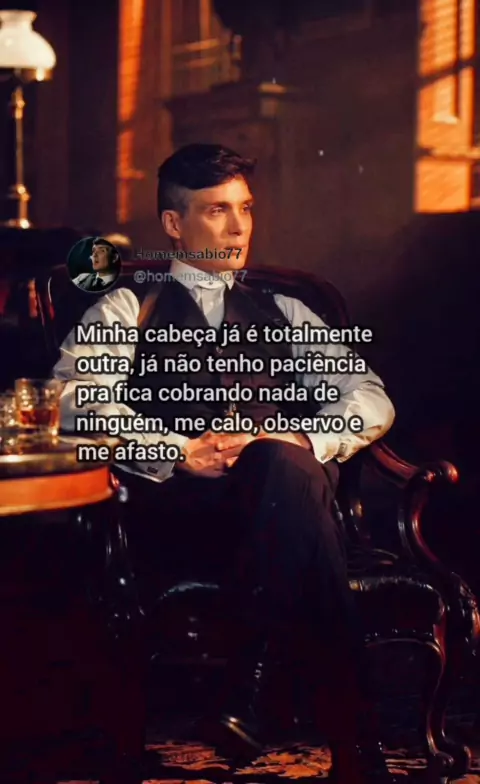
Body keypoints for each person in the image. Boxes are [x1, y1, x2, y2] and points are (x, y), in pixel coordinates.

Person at [53, 144, 399, 783]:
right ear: (174, 224)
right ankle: (355, 743)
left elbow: (370, 399)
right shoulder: (127, 309)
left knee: (282, 462)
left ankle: (249, 693)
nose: (239, 227)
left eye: (246, 208)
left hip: (285, 497)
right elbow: (77, 405)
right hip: (194, 518)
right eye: (217, 211)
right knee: (304, 515)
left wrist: (308, 439)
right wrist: (179, 451)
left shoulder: (286, 312)